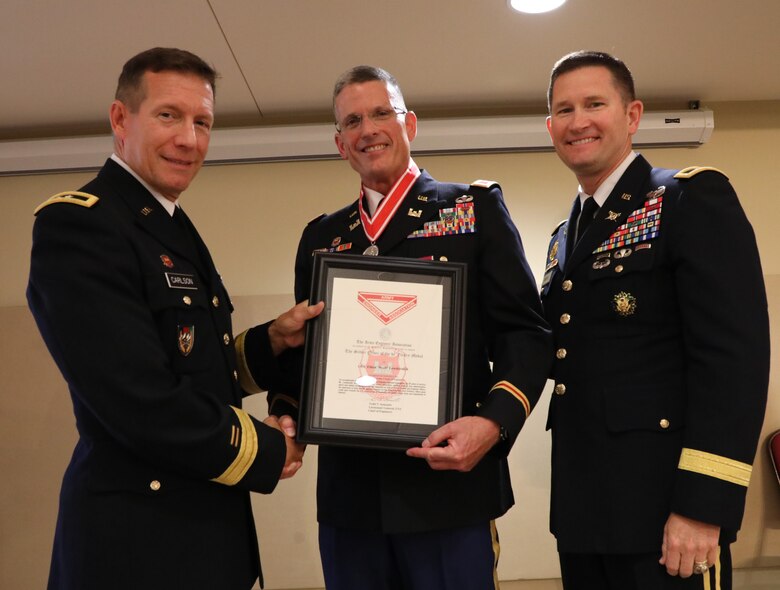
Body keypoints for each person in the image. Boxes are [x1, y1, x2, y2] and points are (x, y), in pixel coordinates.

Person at [27, 47, 321, 590]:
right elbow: (137, 395)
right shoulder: (81, 225)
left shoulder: (169, 224)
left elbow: (192, 362)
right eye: (169, 116)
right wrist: (265, 448)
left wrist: (270, 345)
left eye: (202, 122)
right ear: (121, 119)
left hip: (204, 534)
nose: (190, 139)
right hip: (136, 544)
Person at [273, 65, 552, 589]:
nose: (368, 129)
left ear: (411, 124)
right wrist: (287, 416)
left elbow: (526, 334)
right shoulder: (321, 236)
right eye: (352, 121)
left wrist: (492, 424)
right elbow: (301, 355)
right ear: (340, 144)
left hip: (449, 490)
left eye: (382, 113)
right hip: (349, 499)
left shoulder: (473, 209)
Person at [541, 50, 770, 589]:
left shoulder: (688, 198)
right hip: (583, 513)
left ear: (632, 114)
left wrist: (703, 506)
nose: (579, 121)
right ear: (550, 126)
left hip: (667, 514)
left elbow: (733, 362)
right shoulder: (563, 238)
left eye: (595, 103)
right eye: (564, 109)